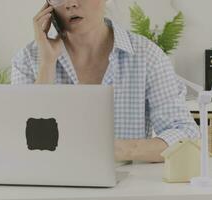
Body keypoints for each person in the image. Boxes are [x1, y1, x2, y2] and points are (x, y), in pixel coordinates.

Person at [11, 0, 200, 163]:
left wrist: (116, 149)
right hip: (51, 187)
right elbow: (21, 141)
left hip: (127, 189)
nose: (70, 3)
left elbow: (186, 134)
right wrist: (47, 64)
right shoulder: (28, 59)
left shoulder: (147, 56)